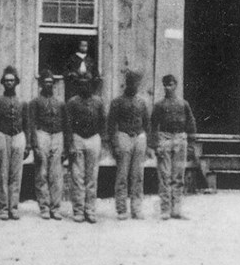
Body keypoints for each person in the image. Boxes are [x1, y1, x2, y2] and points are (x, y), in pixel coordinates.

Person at [150, 74, 197, 220]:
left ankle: (176, 209)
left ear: (176, 85)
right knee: (164, 175)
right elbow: (152, 125)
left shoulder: (184, 104)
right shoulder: (159, 105)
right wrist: (155, 145)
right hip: (165, 138)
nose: (168, 88)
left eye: (170, 84)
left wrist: (190, 145)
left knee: (178, 175)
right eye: (165, 85)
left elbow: (191, 124)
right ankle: (165, 209)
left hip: (180, 139)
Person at [107, 70, 150, 220]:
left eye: (137, 83)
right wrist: (115, 145)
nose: (135, 86)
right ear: (127, 83)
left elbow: (147, 123)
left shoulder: (142, 102)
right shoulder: (117, 102)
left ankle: (137, 209)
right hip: (123, 136)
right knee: (122, 175)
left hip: (139, 137)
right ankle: (121, 209)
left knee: (138, 175)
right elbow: (111, 125)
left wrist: (147, 143)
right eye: (132, 83)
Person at [0, 66, 30, 220]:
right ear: (2, 83)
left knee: (16, 174)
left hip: (19, 137)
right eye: (6, 81)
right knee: (3, 173)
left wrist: (28, 145)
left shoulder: (22, 102)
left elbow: (27, 124)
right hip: (3, 136)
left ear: (16, 82)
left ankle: (14, 207)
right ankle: (3, 208)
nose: (9, 83)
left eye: (12, 80)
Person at [65, 72, 106, 223]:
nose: (84, 86)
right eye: (81, 83)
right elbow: (68, 124)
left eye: (87, 83)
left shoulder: (98, 102)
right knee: (77, 176)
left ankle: (90, 210)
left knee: (92, 176)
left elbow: (103, 121)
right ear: (78, 85)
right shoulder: (72, 102)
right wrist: (70, 143)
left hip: (93, 138)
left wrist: (101, 139)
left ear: (92, 84)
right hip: (78, 139)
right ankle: (78, 210)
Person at [29, 69, 67, 220]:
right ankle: (44, 207)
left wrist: (65, 145)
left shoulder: (60, 103)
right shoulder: (35, 102)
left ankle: (55, 208)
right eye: (46, 83)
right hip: (42, 134)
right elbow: (31, 124)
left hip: (57, 136)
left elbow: (66, 125)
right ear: (41, 84)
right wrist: (35, 145)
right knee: (42, 173)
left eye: (51, 83)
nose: (49, 85)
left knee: (56, 174)